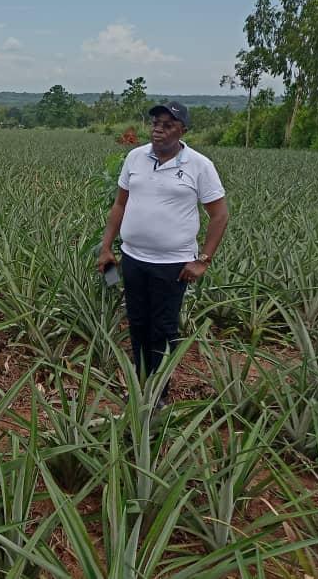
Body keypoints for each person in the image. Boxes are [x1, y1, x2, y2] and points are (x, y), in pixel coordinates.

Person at [97, 101, 229, 407]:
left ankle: (159, 394)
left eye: (168, 125)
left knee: (163, 328)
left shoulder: (199, 165)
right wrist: (106, 247)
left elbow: (219, 215)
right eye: (155, 123)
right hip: (133, 258)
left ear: (183, 130)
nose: (158, 130)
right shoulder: (135, 157)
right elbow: (119, 204)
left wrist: (203, 260)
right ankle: (141, 384)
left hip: (173, 264)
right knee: (137, 323)